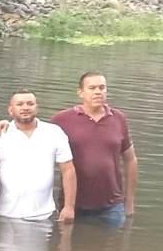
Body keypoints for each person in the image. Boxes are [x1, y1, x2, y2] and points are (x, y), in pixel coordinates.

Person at [49, 72, 138, 225]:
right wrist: (5, 124)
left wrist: (129, 202)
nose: (98, 92)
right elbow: (32, 132)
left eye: (102, 87)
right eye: (92, 88)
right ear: (80, 92)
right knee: (69, 247)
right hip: (72, 204)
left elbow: (130, 159)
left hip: (112, 205)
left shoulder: (118, 119)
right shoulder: (61, 119)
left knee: (113, 246)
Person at [0, 90, 77, 222]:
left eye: (30, 103)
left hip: (43, 215)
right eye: (20, 104)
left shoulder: (54, 132)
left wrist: (68, 207)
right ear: (11, 110)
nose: (25, 107)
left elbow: (68, 170)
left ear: (36, 108)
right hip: (4, 214)